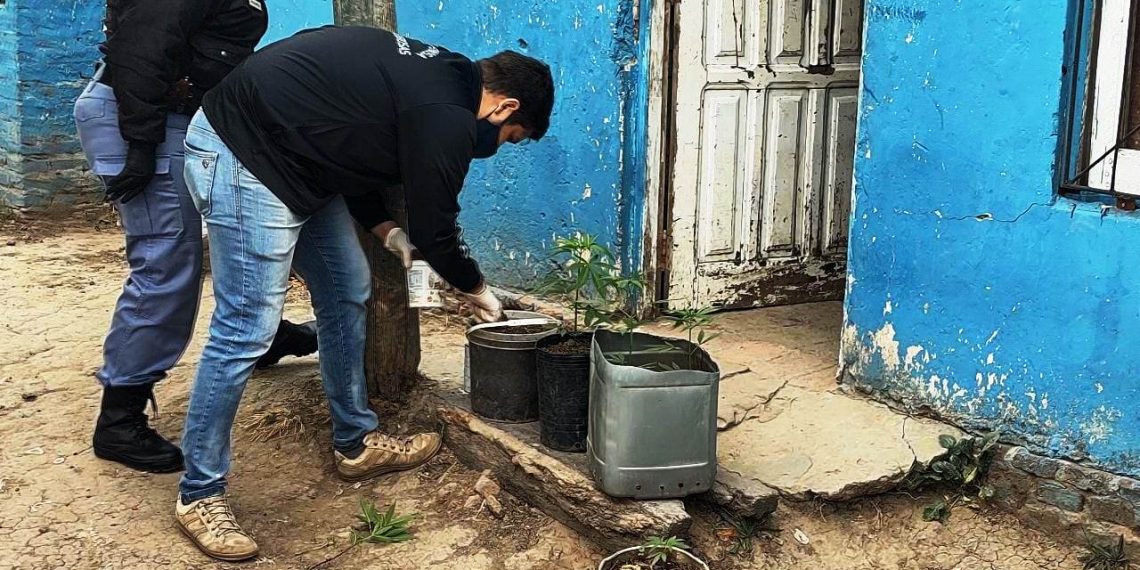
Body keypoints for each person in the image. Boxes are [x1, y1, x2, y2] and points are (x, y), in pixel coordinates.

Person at [173, 25, 555, 560]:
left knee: (348, 288)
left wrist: (384, 231)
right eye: (510, 136)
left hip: (298, 158)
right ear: (504, 106)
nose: (498, 146)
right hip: (244, 153)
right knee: (245, 328)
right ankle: (200, 493)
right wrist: (480, 294)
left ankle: (354, 443)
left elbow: (349, 138)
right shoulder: (446, 113)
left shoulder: (441, 78)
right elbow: (437, 231)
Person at [72, 0, 319, 475]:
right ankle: (119, 420)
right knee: (166, 265)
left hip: (176, 117)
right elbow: (141, 48)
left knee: (242, 223)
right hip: (138, 116)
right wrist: (141, 145)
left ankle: (263, 336)